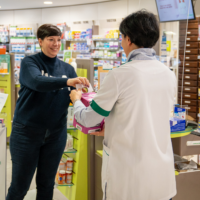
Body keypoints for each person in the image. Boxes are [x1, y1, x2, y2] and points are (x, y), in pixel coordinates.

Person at [70, 10, 176, 200]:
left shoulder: (120, 75)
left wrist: (76, 99)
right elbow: (147, 116)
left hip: (129, 178)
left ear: (128, 39)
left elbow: (87, 119)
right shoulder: (168, 74)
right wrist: (112, 127)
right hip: (161, 174)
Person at [7, 24, 89, 200]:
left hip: (55, 135)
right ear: (40, 41)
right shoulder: (30, 62)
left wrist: (83, 95)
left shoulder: (67, 69)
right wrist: (67, 82)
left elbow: (72, 95)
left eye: (58, 40)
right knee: (19, 186)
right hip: (26, 133)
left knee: (46, 184)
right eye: (51, 39)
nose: (56, 44)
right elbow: (38, 82)